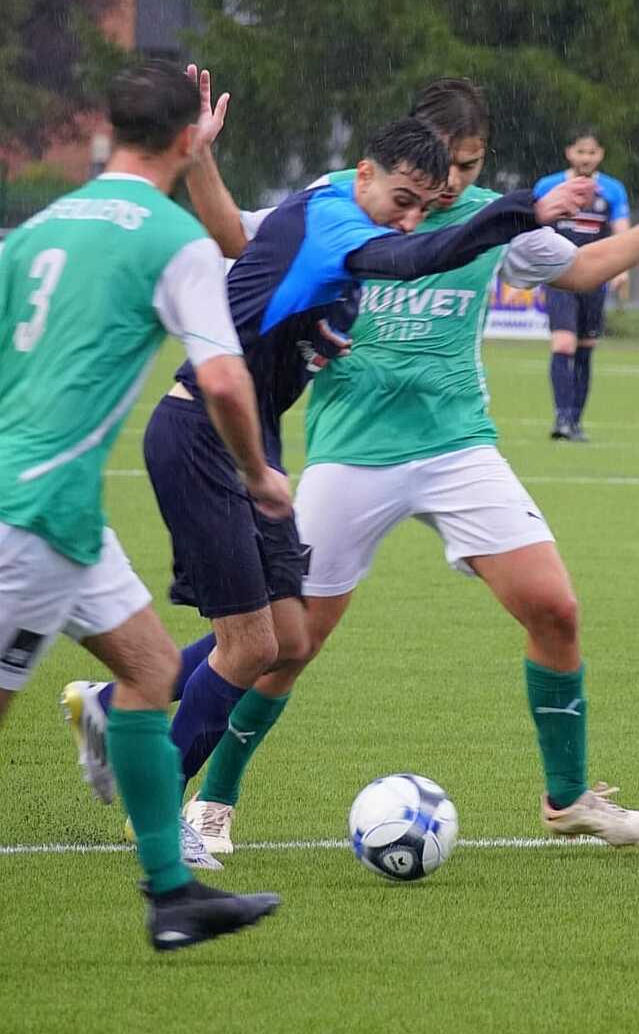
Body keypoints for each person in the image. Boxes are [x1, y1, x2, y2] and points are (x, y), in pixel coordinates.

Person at [176, 82, 639, 855]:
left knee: (555, 609)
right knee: (292, 642)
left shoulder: (493, 219)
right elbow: (237, 235)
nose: (451, 182)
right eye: (444, 164)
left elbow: (585, 269)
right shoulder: (341, 200)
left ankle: (568, 801)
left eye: (470, 164)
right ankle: (212, 801)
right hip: (350, 452)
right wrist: (200, 158)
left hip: (458, 446)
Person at [62, 77, 594, 835]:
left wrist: (202, 159)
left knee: (289, 637)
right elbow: (415, 258)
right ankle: (162, 814)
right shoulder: (338, 222)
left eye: (423, 205)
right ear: (364, 173)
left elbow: (239, 241)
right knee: (252, 645)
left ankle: (115, 711)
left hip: (251, 440)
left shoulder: (330, 224)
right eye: (402, 200)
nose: (410, 218)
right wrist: (523, 211)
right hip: (206, 437)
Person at [0, 61, 288, 951]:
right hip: (31, 515)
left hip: (65, 517)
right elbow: (225, 380)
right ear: (186, 139)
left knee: (153, 669)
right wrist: (258, 474)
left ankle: (173, 895)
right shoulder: (173, 239)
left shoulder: (39, 228)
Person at [534, 126, 631, 441]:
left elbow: (622, 232)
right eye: (580, 151)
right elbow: (532, 228)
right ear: (569, 153)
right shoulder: (548, 186)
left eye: (591, 152)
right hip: (560, 277)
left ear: (600, 154)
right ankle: (562, 419)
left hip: (595, 278)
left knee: (586, 348)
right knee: (563, 344)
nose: (586, 158)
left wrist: (622, 268)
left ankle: (575, 421)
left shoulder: (612, 190)